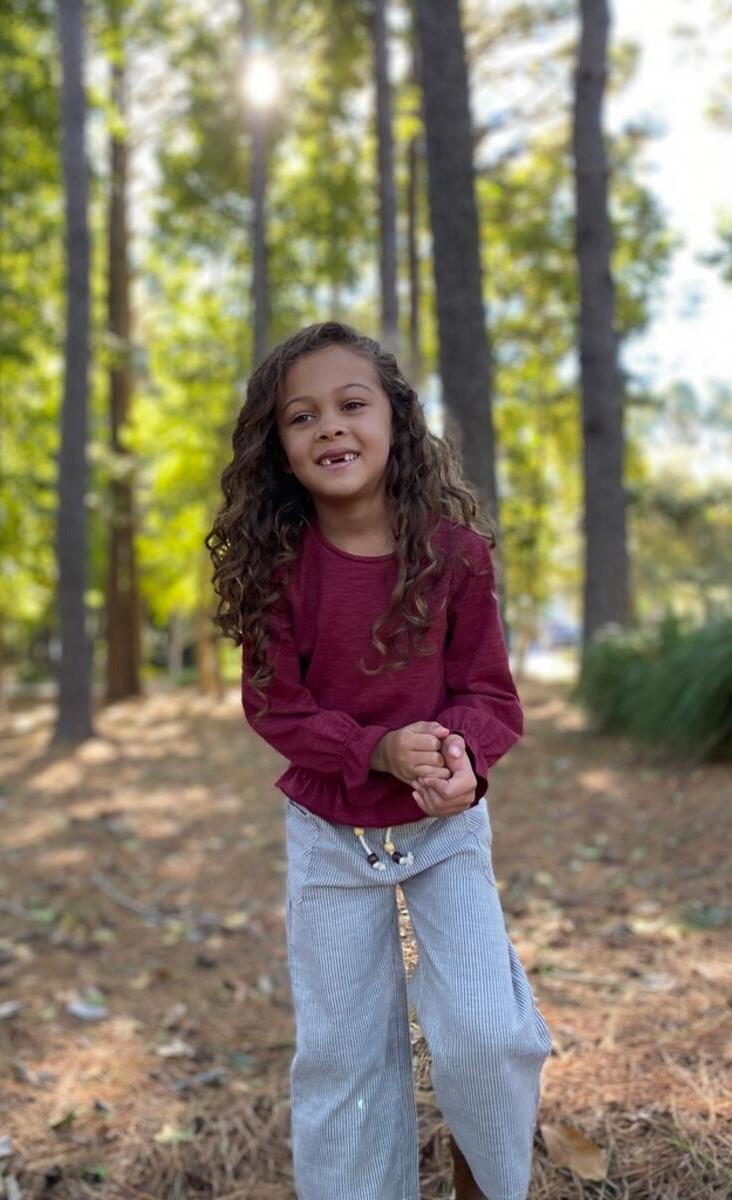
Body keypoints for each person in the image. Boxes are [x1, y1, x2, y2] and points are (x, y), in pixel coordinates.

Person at [206, 321, 551, 1200]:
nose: (330, 427)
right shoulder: (279, 570)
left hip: (444, 832)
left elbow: (491, 695)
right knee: (346, 1059)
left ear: (396, 420)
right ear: (278, 450)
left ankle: (490, 1183)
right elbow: (275, 706)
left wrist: (459, 757)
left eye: (352, 405)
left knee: (484, 1034)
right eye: (302, 417)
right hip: (330, 835)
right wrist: (377, 751)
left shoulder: (456, 557)